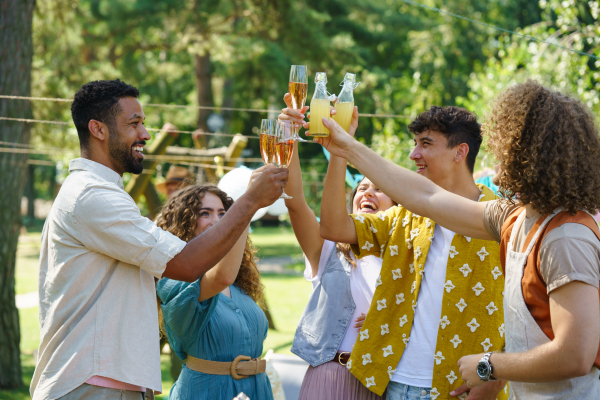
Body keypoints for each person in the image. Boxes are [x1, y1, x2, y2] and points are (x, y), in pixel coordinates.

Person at [312, 80, 600, 399]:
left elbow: (576, 354)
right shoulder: (513, 218)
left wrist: (490, 367)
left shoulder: (567, 236)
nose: (495, 156)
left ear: (528, 154)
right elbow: (428, 197)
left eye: (503, 145)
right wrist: (344, 146)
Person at [30, 79, 288, 400]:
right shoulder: (91, 194)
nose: (146, 134)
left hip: (109, 381)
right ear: (98, 129)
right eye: (134, 124)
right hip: (92, 384)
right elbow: (185, 263)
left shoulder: (103, 192)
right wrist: (248, 201)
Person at [317, 105, 508, 400]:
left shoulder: (504, 221)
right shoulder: (404, 215)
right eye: (415, 143)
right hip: (391, 384)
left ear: (460, 152)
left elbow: (530, 311)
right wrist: (338, 154)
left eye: (426, 144)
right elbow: (333, 227)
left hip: (462, 389)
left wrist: (494, 379)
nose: (413, 154)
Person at [279, 95, 394, 400]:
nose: (368, 192)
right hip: (328, 378)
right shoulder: (329, 248)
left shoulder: (406, 255)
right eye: (362, 188)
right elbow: (295, 204)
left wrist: (387, 318)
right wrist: (288, 137)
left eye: (380, 188)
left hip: (381, 382)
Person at [155, 185, 273, 400]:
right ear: (184, 224)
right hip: (207, 392)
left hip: (257, 390)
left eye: (223, 214)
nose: (217, 221)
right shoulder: (173, 281)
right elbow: (220, 278)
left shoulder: (240, 282)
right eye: (204, 213)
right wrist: (248, 206)